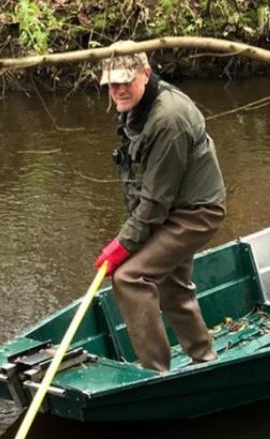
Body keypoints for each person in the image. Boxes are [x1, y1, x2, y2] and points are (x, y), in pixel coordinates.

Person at [94, 43, 227, 372]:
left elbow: (154, 202)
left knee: (130, 278)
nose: (119, 90)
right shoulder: (137, 106)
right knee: (171, 283)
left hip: (195, 213)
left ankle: (155, 371)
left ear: (146, 74)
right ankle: (205, 360)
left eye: (126, 81)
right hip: (172, 209)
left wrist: (121, 246)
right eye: (112, 84)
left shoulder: (168, 120)